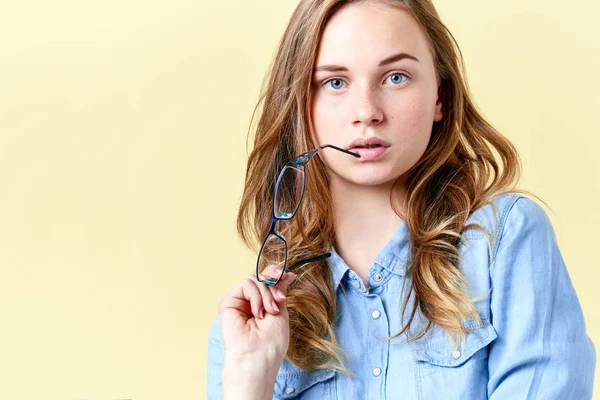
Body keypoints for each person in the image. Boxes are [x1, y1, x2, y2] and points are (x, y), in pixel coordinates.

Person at [207, 0, 596, 398]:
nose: (367, 112)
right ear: (302, 108)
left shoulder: (503, 239)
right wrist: (249, 382)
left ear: (440, 97)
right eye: (335, 82)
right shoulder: (246, 328)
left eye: (395, 77)